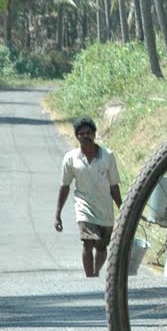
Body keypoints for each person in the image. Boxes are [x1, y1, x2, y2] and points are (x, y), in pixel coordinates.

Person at [55, 116, 124, 278]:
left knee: (101, 247)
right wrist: (57, 214)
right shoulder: (71, 158)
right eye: (81, 134)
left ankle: (95, 271)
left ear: (94, 134)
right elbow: (65, 187)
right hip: (83, 207)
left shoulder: (108, 156)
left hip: (104, 209)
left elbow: (114, 186)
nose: (85, 136)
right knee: (86, 243)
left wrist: (123, 209)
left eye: (88, 133)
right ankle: (89, 278)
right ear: (77, 136)